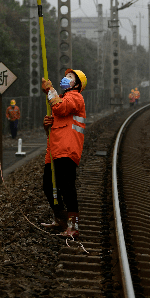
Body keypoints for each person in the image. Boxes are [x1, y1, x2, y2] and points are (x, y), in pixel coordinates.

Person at [40, 68, 87, 239]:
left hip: (67, 149)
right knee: (48, 185)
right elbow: (57, 122)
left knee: (67, 187)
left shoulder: (75, 97)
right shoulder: (62, 98)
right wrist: (47, 126)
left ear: (77, 84)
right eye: (66, 76)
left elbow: (60, 109)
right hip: (54, 149)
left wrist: (50, 91)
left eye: (70, 77)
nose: (66, 78)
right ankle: (60, 219)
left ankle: (73, 226)